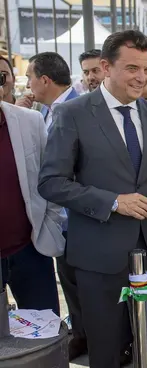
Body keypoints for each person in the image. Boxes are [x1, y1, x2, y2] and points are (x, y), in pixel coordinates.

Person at [38, 29, 147, 368]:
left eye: (145, 68)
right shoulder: (72, 114)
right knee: (103, 343)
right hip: (97, 251)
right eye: (131, 68)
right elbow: (51, 182)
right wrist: (113, 202)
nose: (142, 77)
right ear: (105, 68)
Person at [1, 57, 64, 314]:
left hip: (29, 248)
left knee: (45, 327)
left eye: (2, 75)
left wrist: (50, 222)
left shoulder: (30, 121)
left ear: (9, 82)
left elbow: (51, 177)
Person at [19, 52, 79, 130]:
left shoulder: (80, 110)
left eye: (29, 78)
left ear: (44, 80)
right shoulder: (46, 107)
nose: (27, 86)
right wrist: (20, 114)